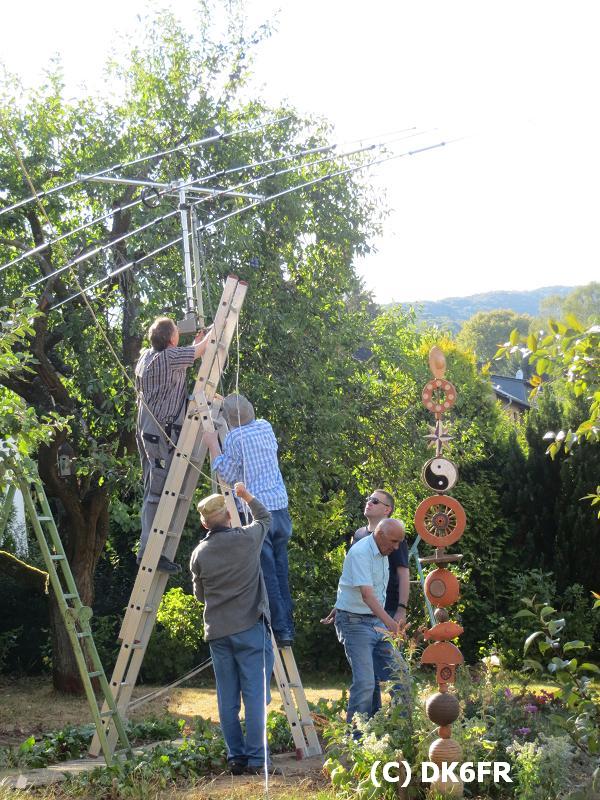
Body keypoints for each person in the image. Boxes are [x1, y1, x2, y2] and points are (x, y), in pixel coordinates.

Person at [189, 482, 276, 775]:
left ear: (204, 524)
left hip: (218, 632)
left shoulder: (199, 553)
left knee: (227, 699)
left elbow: (200, 596)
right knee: (254, 697)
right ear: (228, 516)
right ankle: (257, 760)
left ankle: (235, 758)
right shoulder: (247, 539)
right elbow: (265, 518)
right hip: (250, 627)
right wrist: (246, 495)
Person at [203, 393, 295, 645]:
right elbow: (240, 414)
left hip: (257, 511)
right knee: (281, 571)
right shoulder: (265, 426)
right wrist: (228, 403)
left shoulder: (234, 437)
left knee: (267, 574)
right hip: (280, 508)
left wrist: (213, 445)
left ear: (229, 421)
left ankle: (280, 630)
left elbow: (228, 473)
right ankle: (288, 627)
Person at [321, 489, 410, 712]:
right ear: (380, 535)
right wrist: (390, 623)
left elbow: (365, 586)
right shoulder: (361, 550)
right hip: (355, 622)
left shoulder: (384, 550)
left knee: (402, 677)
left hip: (376, 620)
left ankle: (401, 728)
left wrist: (397, 612)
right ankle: (358, 732)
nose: (397, 548)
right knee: (366, 684)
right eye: (394, 542)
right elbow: (367, 595)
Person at [135, 316, 212, 573]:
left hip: (147, 430)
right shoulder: (168, 358)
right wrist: (215, 330)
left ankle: (148, 550)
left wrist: (196, 343)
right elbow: (199, 351)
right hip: (158, 435)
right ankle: (150, 554)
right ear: (171, 339)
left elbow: (188, 354)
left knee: (152, 490)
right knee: (158, 494)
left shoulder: (147, 356)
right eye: (177, 331)